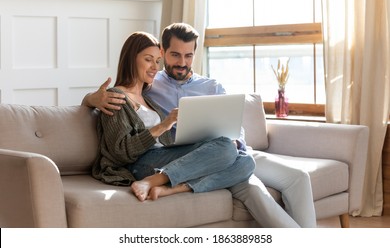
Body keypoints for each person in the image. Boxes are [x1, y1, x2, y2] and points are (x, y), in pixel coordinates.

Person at [83, 23, 317, 227]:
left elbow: (235, 126)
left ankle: (172, 187)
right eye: (174, 55)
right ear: (165, 52)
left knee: (252, 161)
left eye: (188, 56)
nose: (181, 63)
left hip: (222, 149)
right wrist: (91, 99)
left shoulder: (207, 87)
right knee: (239, 167)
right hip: (177, 155)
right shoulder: (152, 85)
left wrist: (236, 141)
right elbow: (118, 122)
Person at [91, 31, 255, 202]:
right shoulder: (115, 97)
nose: (155, 67)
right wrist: (163, 126)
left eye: (157, 61)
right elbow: (120, 153)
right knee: (226, 148)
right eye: (148, 60)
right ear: (131, 59)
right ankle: (152, 180)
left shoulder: (147, 95)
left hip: (163, 154)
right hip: (140, 163)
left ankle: (172, 189)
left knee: (246, 162)